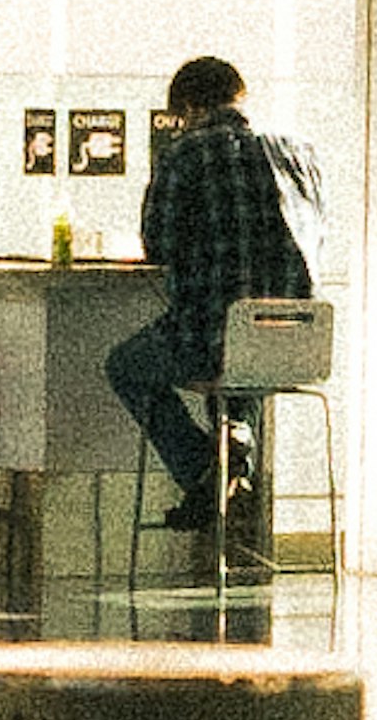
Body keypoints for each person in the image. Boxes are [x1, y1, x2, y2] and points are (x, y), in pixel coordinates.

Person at [108, 57, 314, 533]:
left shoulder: (184, 154)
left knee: (127, 366)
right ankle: (235, 460)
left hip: (210, 337)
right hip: (295, 340)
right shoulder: (295, 151)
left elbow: (157, 243)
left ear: (189, 107)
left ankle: (204, 469)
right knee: (246, 355)